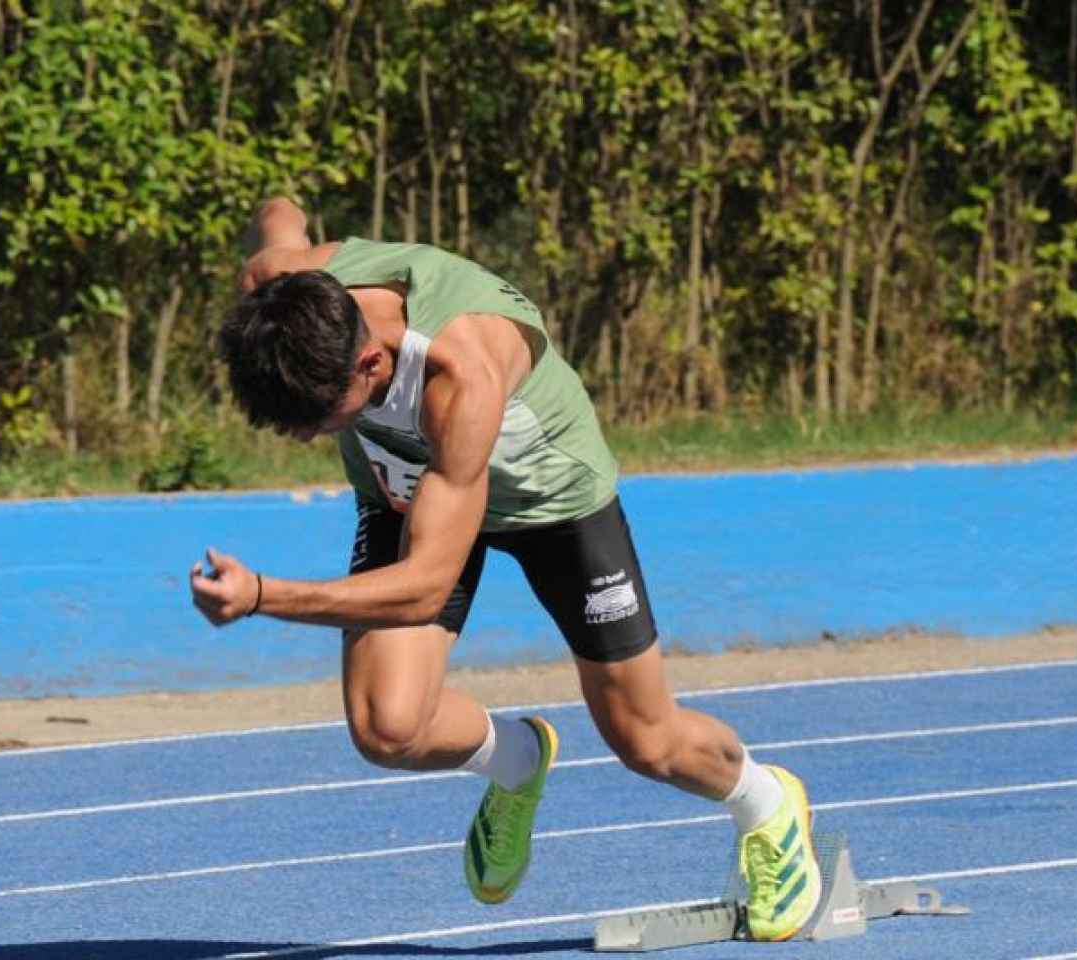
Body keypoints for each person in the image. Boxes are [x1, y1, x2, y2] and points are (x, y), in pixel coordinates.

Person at [188, 197, 821, 939]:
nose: (307, 437)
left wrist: (264, 595)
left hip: (552, 502)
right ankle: (518, 759)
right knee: (387, 727)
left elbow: (425, 587)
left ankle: (765, 803)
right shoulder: (290, 295)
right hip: (409, 492)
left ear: (371, 361)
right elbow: (280, 213)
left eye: (324, 417)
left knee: (647, 742)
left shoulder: (464, 371)